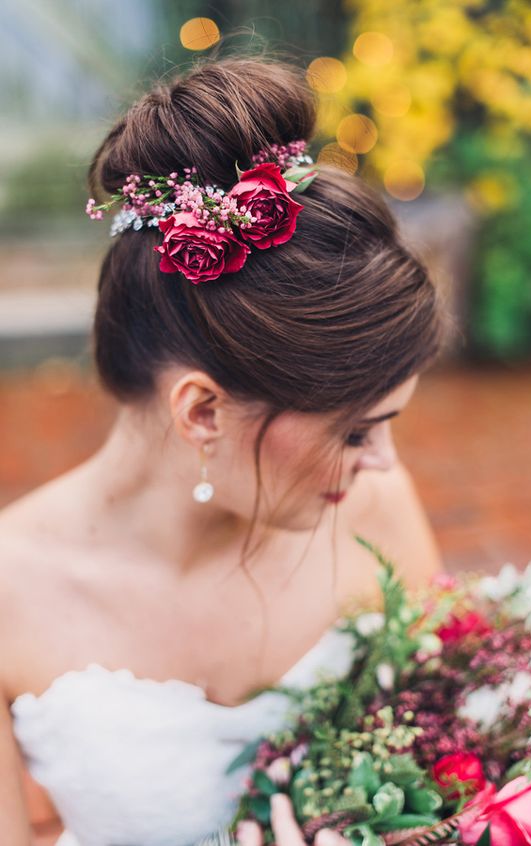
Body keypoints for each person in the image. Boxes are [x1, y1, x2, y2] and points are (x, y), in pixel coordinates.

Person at [0, 50, 446, 846]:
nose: (381, 461)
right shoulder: (11, 591)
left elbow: (450, 774)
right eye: (354, 430)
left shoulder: (376, 504)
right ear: (203, 411)